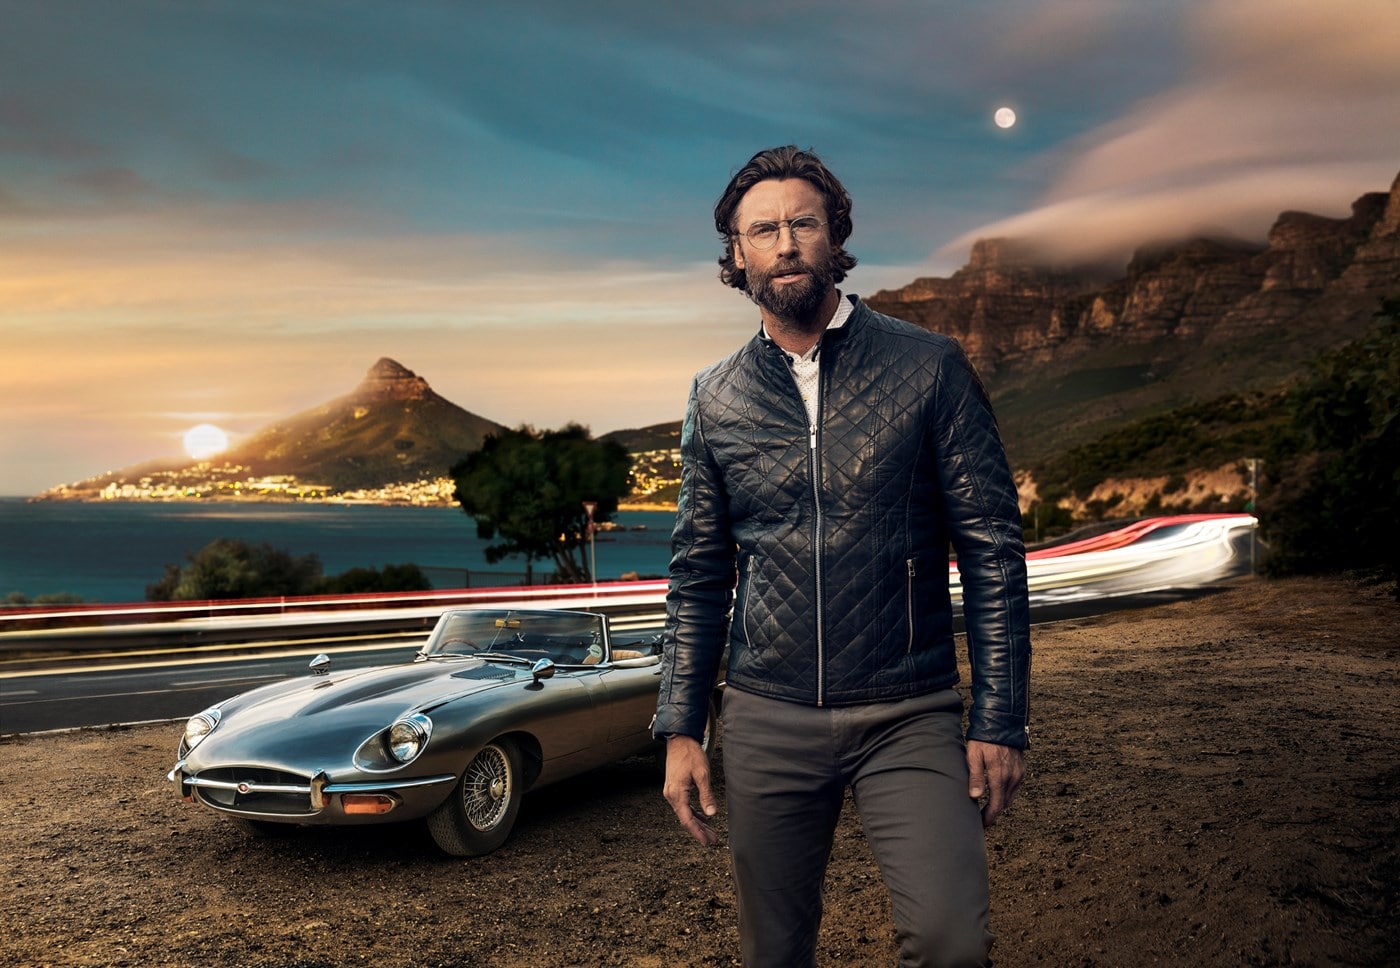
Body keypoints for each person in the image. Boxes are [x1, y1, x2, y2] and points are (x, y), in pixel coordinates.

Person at [655, 145, 1032, 968]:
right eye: (764, 229)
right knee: (775, 952)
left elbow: (994, 552)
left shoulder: (929, 366)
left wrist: (999, 718)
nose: (785, 242)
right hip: (766, 714)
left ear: (835, 237)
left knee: (950, 941)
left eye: (803, 223)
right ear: (737, 254)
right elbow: (698, 573)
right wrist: (682, 724)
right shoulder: (714, 396)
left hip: (909, 708)